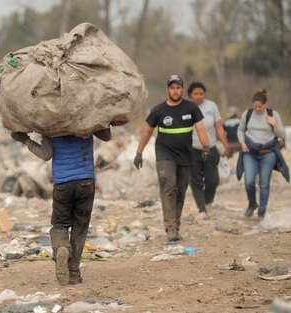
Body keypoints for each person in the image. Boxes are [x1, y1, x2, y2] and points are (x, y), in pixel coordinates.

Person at [11, 129, 111, 286]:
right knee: (80, 228)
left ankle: (62, 248)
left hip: (62, 184)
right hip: (86, 181)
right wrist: (100, 123)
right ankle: (73, 273)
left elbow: (46, 155)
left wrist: (25, 139)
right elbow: (107, 136)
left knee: (60, 225)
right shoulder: (86, 118)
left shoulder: (52, 123)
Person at [134, 75, 210, 242]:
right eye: (172, 88)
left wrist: (206, 147)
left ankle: (176, 224)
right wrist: (139, 153)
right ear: (167, 89)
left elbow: (200, 129)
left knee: (180, 191)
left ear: (182, 89)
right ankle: (170, 229)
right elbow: (147, 132)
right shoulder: (159, 110)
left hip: (186, 155)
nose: (175, 91)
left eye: (178, 88)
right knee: (169, 187)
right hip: (164, 155)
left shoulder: (191, 108)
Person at [236, 88, 289, 219]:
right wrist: (242, 143)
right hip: (250, 152)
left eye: (260, 107)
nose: (258, 109)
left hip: (268, 153)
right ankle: (252, 203)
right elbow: (240, 130)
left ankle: (262, 210)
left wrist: (274, 125)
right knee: (249, 181)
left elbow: (281, 134)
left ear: (265, 105)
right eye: (255, 107)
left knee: (264, 183)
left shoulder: (273, 114)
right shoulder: (247, 114)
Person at [187, 82, 231, 219]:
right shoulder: (186, 108)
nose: (199, 96)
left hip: (211, 148)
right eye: (195, 94)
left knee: (213, 179)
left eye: (201, 93)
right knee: (196, 181)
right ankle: (202, 209)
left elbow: (219, 128)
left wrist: (226, 146)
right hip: (192, 150)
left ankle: (208, 202)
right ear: (190, 95)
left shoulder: (212, 106)